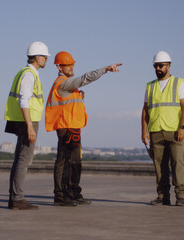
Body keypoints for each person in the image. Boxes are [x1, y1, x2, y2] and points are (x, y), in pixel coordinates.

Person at [45, 51, 122, 207]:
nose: (72, 67)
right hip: (65, 128)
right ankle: (60, 196)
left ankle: (74, 193)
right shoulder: (63, 83)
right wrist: (105, 69)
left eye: (73, 64)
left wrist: (79, 97)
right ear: (59, 67)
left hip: (74, 127)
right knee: (64, 161)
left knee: (75, 161)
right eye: (68, 65)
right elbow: (85, 78)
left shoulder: (68, 85)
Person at [4, 41, 50, 210]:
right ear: (37, 58)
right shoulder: (29, 75)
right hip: (27, 121)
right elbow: (24, 101)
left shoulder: (25, 72)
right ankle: (17, 198)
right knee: (24, 160)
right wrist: (30, 126)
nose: (46, 59)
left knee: (20, 159)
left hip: (23, 120)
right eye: (44, 57)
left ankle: (15, 198)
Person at [141, 51, 184, 206]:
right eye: (156, 66)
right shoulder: (150, 86)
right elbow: (145, 111)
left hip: (174, 131)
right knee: (159, 166)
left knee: (177, 163)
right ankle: (162, 196)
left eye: (161, 65)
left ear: (169, 66)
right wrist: (144, 131)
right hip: (155, 131)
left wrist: (182, 127)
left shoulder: (179, 83)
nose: (158, 68)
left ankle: (180, 195)